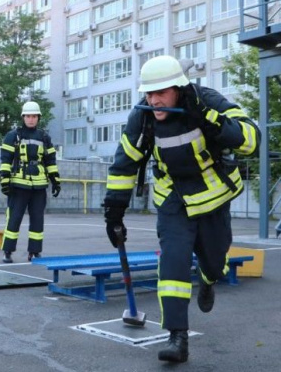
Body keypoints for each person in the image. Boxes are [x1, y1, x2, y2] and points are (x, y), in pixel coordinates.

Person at [102, 55, 260, 363]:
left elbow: (252, 140)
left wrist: (211, 122)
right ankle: (177, 337)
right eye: (149, 93)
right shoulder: (143, 116)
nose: (154, 100)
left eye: (161, 92)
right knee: (172, 263)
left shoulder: (206, 100)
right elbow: (125, 164)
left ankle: (209, 278)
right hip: (172, 199)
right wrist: (114, 210)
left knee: (215, 262)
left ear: (178, 87)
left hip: (212, 195)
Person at [0, 101, 61, 263]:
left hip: (39, 186)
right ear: (23, 117)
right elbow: (5, 160)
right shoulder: (13, 135)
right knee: (14, 218)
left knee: (37, 219)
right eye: (28, 116)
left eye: (34, 116)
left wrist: (56, 180)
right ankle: (8, 251)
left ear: (38, 117)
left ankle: (35, 251)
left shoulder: (45, 137)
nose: (31, 119)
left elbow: (51, 160)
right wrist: (5, 181)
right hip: (18, 184)